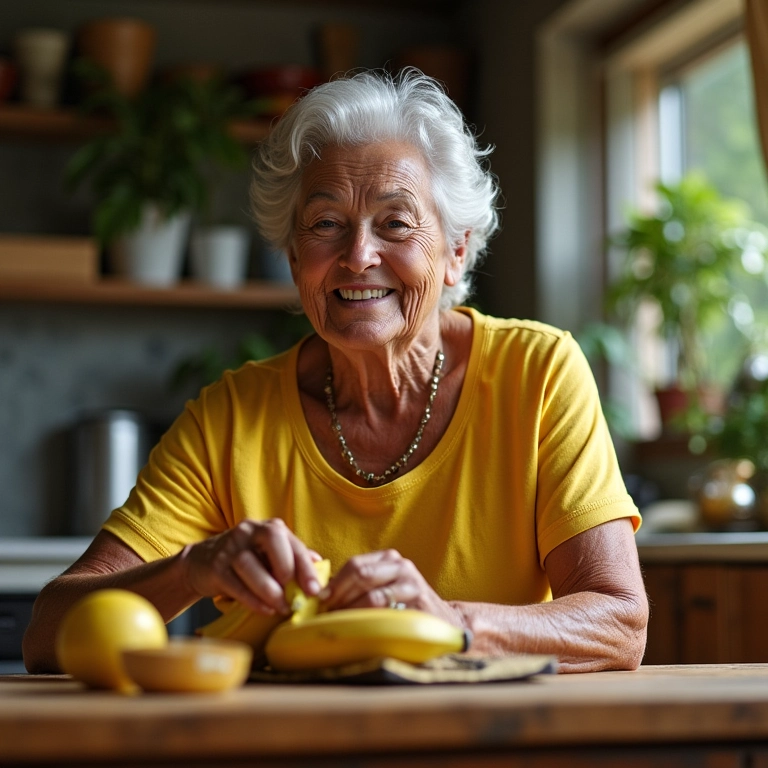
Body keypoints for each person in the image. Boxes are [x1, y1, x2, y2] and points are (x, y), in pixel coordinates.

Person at [23, 69, 648, 674]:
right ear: (295, 259)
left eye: (395, 223)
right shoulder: (232, 417)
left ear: (456, 251)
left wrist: (449, 624)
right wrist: (191, 568)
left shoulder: (536, 374)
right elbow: (48, 633)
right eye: (326, 225)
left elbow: (619, 621)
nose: (357, 257)